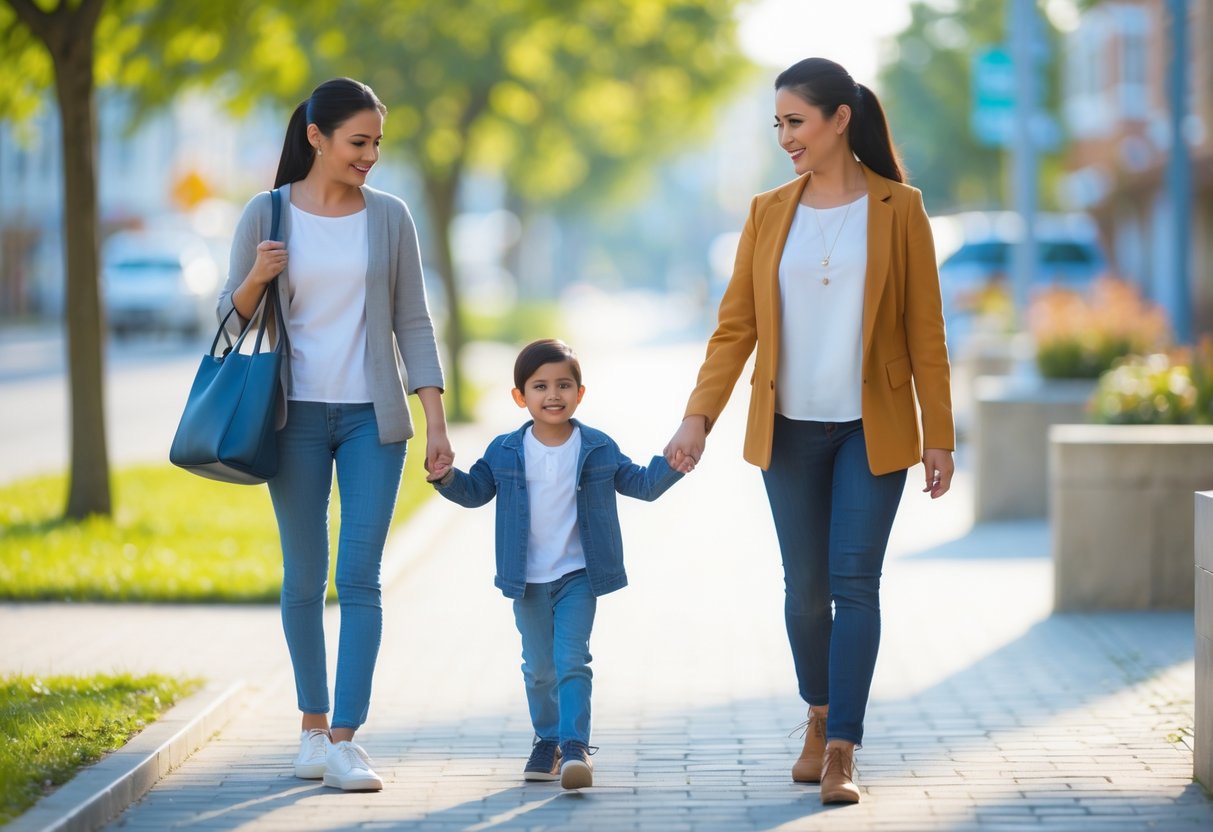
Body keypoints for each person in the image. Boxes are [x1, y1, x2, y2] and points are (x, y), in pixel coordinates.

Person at [664, 57, 955, 805]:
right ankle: (817, 711)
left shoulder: (901, 208)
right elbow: (734, 330)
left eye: (795, 122)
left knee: (855, 584)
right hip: (789, 428)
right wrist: (697, 418)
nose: (785, 137)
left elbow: (926, 333)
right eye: (778, 125)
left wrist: (939, 434)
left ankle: (840, 750)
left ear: (839, 119)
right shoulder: (767, 212)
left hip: (873, 428)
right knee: (805, 593)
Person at [217, 77, 452, 792]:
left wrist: (433, 416)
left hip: (371, 420)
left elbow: (412, 318)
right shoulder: (268, 212)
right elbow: (229, 318)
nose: (370, 156)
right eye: (358, 142)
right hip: (292, 418)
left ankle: (346, 740)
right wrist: (256, 276)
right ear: (316, 137)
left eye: (377, 143)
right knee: (302, 578)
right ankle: (311, 729)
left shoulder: (390, 218)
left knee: (359, 579)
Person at [426, 339, 690, 789]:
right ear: (519, 397)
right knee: (538, 667)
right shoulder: (506, 449)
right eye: (540, 386)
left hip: (579, 575)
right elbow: (475, 493)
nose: (553, 395)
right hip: (525, 578)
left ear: (580, 394)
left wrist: (672, 466)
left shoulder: (597, 446)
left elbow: (640, 484)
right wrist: (446, 477)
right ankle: (546, 740)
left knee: (571, 660)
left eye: (564, 385)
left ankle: (574, 747)